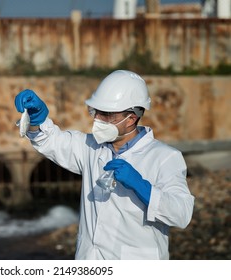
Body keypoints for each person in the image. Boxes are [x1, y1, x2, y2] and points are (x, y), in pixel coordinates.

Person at [14, 70, 195, 260]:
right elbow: (52, 141)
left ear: (131, 118)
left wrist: (143, 187)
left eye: (107, 114)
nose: (98, 119)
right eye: (96, 112)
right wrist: (37, 120)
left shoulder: (165, 157)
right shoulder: (91, 147)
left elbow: (181, 214)